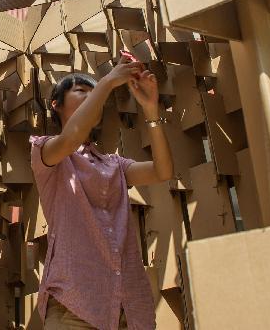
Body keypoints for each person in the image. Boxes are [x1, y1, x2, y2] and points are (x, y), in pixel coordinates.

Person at [30, 54, 174, 330]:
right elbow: (71, 137)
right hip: (75, 305)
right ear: (55, 104)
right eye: (82, 90)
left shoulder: (115, 164)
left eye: (94, 93)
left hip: (130, 308)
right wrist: (107, 82)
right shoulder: (45, 150)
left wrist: (151, 110)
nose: (92, 96)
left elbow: (163, 171)